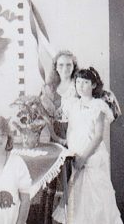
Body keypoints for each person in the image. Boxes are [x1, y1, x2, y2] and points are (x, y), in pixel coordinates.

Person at [53, 67, 123, 224]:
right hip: (75, 155)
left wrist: (84, 157)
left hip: (91, 156)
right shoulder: (73, 105)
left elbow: (98, 136)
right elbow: (69, 128)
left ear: (93, 85)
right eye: (78, 82)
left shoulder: (98, 105)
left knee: (95, 196)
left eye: (85, 82)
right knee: (77, 196)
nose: (80, 86)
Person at [38, 50, 78, 224]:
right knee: (53, 180)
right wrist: (56, 137)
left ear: (74, 66)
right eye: (61, 65)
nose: (65, 68)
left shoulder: (79, 85)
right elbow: (45, 117)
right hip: (55, 136)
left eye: (69, 64)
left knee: (71, 180)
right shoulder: (49, 88)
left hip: (75, 135)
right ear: (55, 67)